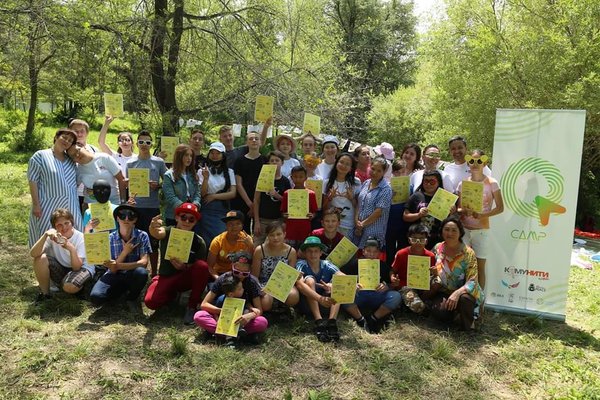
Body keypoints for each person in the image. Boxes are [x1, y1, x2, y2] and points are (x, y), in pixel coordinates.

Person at [145, 203, 210, 324]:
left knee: (202, 266)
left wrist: (184, 267)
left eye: (191, 219)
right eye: (183, 217)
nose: (187, 221)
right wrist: (152, 227)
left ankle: (192, 306)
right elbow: (157, 233)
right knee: (151, 302)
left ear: (195, 222)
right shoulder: (168, 230)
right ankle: (171, 297)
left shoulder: (199, 241)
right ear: (176, 218)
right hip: (166, 277)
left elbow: (199, 268)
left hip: (184, 278)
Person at [194, 252, 267, 348]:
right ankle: (238, 334)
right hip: (221, 317)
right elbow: (204, 304)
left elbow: (259, 309)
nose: (240, 275)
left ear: (250, 270)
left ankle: (222, 334)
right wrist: (223, 312)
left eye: (245, 273)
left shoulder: (252, 282)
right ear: (232, 266)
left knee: (262, 322)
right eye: (237, 271)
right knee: (199, 316)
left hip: (242, 319)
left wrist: (249, 316)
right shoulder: (223, 279)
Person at [422, 217, 484, 331]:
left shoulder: (468, 253)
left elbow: (472, 281)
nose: (450, 233)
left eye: (454, 230)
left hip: (463, 293)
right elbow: (427, 267)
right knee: (439, 312)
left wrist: (456, 294)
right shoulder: (437, 247)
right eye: (446, 229)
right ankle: (455, 315)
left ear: (460, 233)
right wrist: (433, 273)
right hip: (444, 291)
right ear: (442, 231)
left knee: (465, 299)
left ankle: (468, 326)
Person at [89, 204, 151, 311]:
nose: (126, 219)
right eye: (122, 215)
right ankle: (121, 292)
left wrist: (118, 265)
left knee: (142, 273)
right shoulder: (109, 238)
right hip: (114, 274)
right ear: (117, 218)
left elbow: (144, 263)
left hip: (132, 274)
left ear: (135, 220)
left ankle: (131, 298)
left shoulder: (142, 235)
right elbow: (112, 269)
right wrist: (125, 252)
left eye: (131, 216)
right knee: (96, 297)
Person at [457, 149, 504, 289]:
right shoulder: (463, 184)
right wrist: (464, 211)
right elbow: (458, 209)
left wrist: (482, 215)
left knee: (480, 266)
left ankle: (479, 300)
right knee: (463, 265)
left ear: (484, 163)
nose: (475, 164)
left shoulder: (492, 182)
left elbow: (500, 208)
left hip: (482, 230)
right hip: (464, 230)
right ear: (468, 162)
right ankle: (463, 297)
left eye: (479, 161)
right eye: (472, 161)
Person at [28, 128, 81, 247]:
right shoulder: (41, 155)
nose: (66, 141)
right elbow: (33, 180)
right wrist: (36, 204)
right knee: (46, 235)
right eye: (64, 137)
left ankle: (72, 258)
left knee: (74, 235)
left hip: (71, 204)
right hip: (47, 204)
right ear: (56, 137)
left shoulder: (71, 160)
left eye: (70, 141)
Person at [126, 130, 167, 276]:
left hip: (152, 207)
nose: (144, 144)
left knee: (153, 241)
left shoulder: (159, 162)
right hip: (136, 207)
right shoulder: (130, 163)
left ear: (151, 144)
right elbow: (128, 186)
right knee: (135, 241)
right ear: (137, 144)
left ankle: (154, 273)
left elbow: (167, 182)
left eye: (147, 142)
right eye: (141, 142)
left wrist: (158, 185)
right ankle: (137, 271)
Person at [30, 208, 93, 302]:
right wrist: (45, 235)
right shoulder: (54, 237)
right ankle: (45, 294)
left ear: (72, 223)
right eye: (59, 225)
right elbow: (33, 254)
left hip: (81, 268)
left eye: (66, 223)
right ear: (54, 227)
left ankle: (80, 286)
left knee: (69, 287)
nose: (64, 227)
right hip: (63, 267)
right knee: (40, 258)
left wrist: (71, 248)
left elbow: (76, 267)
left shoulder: (80, 238)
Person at [341, 237, 401, 333]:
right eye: (368, 251)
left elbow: (391, 284)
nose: (371, 254)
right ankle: (360, 320)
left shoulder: (382, 265)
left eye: (375, 252)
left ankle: (373, 319)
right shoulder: (355, 263)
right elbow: (340, 275)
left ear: (379, 253)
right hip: (358, 295)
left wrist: (386, 286)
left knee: (396, 296)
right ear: (363, 251)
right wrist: (352, 285)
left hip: (377, 295)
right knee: (342, 295)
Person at [295, 236, 344, 342]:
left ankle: (332, 321)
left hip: (328, 303)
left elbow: (342, 276)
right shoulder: (301, 264)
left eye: (316, 251)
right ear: (305, 253)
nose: (313, 254)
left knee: (339, 281)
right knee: (310, 280)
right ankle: (318, 321)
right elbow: (299, 284)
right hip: (308, 304)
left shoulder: (327, 264)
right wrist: (320, 299)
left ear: (321, 253)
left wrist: (353, 284)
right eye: (309, 251)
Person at [386, 144, 423, 263]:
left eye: (412, 154)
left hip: (404, 221)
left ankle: (401, 269)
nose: (408, 155)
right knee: (389, 248)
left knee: (403, 247)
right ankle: (389, 270)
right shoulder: (387, 186)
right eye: (406, 152)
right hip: (390, 221)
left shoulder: (412, 185)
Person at [251, 221, 299, 311]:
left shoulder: (291, 251)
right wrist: (260, 288)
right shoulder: (260, 250)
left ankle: (283, 308)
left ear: (284, 234)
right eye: (272, 235)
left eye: (278, 234)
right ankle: (271, 307)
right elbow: (254, 276)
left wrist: (296, 276)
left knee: (293, 296)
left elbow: (290, 276)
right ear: (267, 236)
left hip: (282, 283)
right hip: (264, 284)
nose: (275, 238)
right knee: (265, 304)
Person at [197, 142, 237, 247]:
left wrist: (214, 196)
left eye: (218, 153)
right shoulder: (202, 171)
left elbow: (233, 193)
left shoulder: (229, 172)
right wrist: (206, 178)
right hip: (206, 208)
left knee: (220, 238)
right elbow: (202, 193)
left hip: (222, 208)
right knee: (205, 239)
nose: (214, 156)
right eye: (212, 153)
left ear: (223, 155)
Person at [390, 223, 435, 314]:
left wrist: (435, 272)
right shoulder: (401, 254)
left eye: (422, 239)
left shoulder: (430, 256)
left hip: (423, 285)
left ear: (426, 241)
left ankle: (417, 303)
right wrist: (393, 278)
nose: (418, 243)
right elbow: (392, 271)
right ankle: (423, 308)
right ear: (409, 240)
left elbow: (431, 274)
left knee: (437, 282)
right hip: (405, 285)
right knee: (414, 302)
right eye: (414, 239)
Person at [66, 141, 127, 206]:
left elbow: (121, 179)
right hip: (92, 206)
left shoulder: (104, 158)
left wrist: (123, 202)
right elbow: (73, 187)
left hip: (113, 203)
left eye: (77, 151)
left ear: (83, 147)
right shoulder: (78, 169)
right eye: (73, 156)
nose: (77, 155)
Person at [352, 157, 393, 250]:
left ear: (384, 172)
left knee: (368, 257)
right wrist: (356, 221)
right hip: (359, 229)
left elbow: (378, 212)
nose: (374, 172)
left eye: (379, 171)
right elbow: (359, 203)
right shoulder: (366, 183)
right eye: (373, 169)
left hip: (373, 232)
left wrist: (362, 225)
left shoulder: (386, 189)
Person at [252, 151, 291, 245]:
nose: (274, 163)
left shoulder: (285, 181)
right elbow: (256, 200)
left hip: (279, 220)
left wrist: (277, 196)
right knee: (257, 246)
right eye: (272, 161)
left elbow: (289, 202)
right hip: (262, 220)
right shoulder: (262, 179)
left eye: (277, 160)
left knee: (277, 247)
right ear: (268, 163)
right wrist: (256, 222)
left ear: (282, 163)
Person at [232, 131, 267, 233]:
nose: (254, 141)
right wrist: (250, 204)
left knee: (259, 231)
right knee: (243, 231)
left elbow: (266, 182)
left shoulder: (265, 160)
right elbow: (238, 184)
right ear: (247, 143)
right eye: (251, 139)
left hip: (261, 200)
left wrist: (255, 204)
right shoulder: (239, 161)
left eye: (256, 138)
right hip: (243, 200)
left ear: (260, 142)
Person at [404, 170, 446, 249]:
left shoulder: (444, 198)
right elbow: (405, 216)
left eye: (432, 182)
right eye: (426, 181)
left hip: (436, 239)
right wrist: (418, 215)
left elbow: (447, 220)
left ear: (438, 182)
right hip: (417, 239)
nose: (428, 184)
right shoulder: (416, 196)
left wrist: (452, 211)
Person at [207, 210, 254, 280]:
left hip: (239, 274)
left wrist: (251, 246)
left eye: (237, 223)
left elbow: (251, 265)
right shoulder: (217, 241)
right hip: (220, 273)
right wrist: (219, 279)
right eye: (230, 224)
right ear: (226, 225)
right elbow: (209, 267)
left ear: (242, 226)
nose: (234, 227)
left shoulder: (247, 240)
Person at [162, 144, 201, 226]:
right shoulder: (169, 175)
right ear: (179, 156)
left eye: (191, 156)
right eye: (186, 155)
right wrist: (184, 207)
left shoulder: (193, 174)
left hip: (191, 215)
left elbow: (197, 193)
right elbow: (170, 196)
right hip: (174, 215)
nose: (189, 158)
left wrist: (195, 204)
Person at [323, 153, 361, 235]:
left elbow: (358, 206)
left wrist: (351, 198)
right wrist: (329, 198)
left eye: (347, 164)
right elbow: (323, 207)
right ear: (336, 163)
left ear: (351, 168)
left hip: (348, 225)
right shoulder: (327, 183)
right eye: (341, 162)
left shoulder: (356, 182)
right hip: (331, 225)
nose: (343, 166)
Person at [281, 166, 318, 248]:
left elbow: (315, 211)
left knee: (304, 252)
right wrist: (284, 215)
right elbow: (283, 211)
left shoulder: (311, 194)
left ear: (305, 178)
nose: (298, 179)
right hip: (290, 230)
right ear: (291, 178)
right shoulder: (287, 193)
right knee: (289, 251)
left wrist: (312, 215)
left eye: (301, 177)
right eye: (295, 177)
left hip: (305, 230)